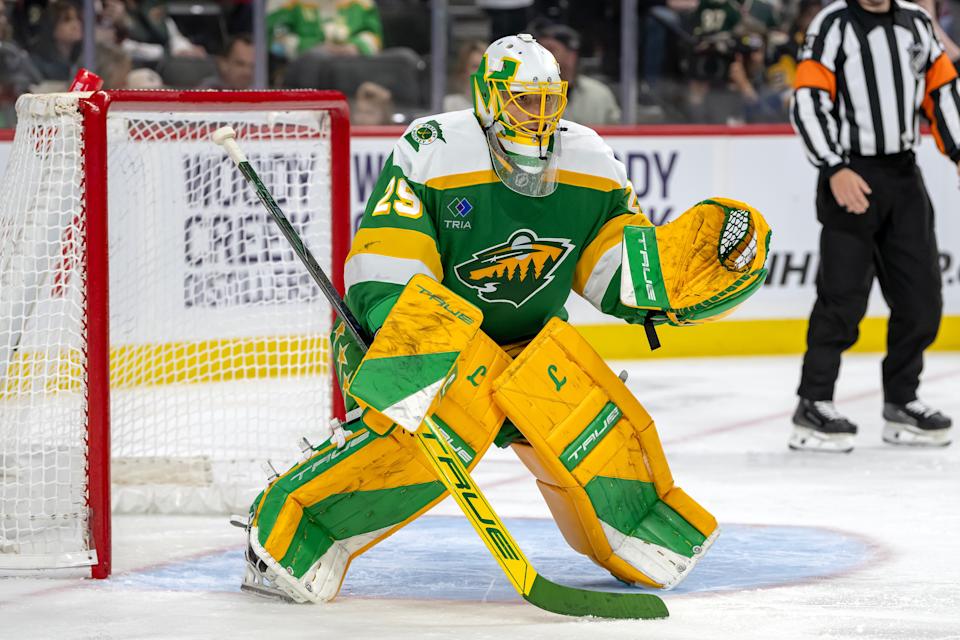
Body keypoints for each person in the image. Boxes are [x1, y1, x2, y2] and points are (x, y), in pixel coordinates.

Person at [237, 34, 771, 604]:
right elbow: (389, 254)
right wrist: (403, 337)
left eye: (548, 101)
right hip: (420, 338)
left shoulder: (591, 161)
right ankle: (290, 530)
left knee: (593, 433)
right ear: (488, 98)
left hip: (524, 348)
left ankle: (638, 531)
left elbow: (609, 266)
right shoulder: (433, 146)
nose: (538, 117)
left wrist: (665, 282)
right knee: (407, 446)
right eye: (523, 100)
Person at [789, 0, 958, 452]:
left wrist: (959, 152)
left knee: (922, 299)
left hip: (904, 177)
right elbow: (807, 99)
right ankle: (813, 402)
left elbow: (941, 89)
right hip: (851, 173)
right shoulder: (833, 24)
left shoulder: (916, 22)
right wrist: (833, 167)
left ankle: (902, 400)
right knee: (841, 299)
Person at [534, 23, 622, 125]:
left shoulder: (599, 94)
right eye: (539, 51)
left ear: (571, 55)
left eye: (550, 49)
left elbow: (617, 136)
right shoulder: (528, 93)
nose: (542, 56)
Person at [266, 0, 382, 61]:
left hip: (352, 70)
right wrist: (313, 49)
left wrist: (356, 47)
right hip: (301, 76)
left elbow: (373, 36)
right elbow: (275, 40)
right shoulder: (284, 2)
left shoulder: (363, 2)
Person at [29, 1, 82, 82]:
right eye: (67, 20)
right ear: (51, 27)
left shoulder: (85, 59)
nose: (76, 25)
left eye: (78, 18)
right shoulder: (37, 65)